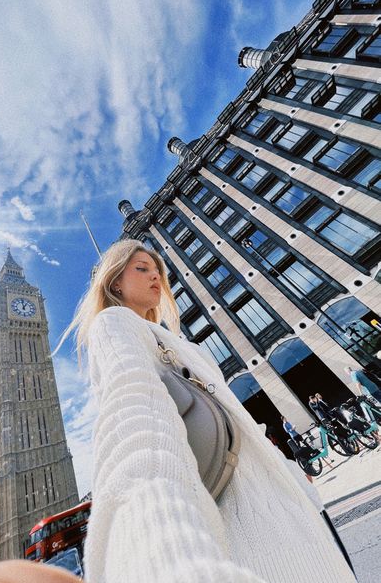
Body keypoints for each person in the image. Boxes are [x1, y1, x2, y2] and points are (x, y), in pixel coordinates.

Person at [58, 239, 356, 583]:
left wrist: (287, 469)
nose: (156, 277)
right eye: (142, 269)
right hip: (256, 530)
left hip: (291, 503)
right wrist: (156, 532)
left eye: (159, 272)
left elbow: (238, 423)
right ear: (114, 282)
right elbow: (135, 411)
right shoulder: (113, 324)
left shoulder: (175, 341)